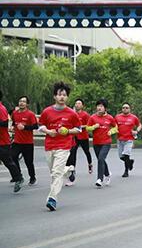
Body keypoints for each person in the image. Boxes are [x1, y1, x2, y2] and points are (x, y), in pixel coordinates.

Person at [38, 82, 82, 211]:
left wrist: (67, 131)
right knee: (54, 172)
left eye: (64, 95)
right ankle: (69, 170)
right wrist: (48, 131)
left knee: (56, 173)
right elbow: (40, 126)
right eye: (59, 95)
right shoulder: (47, 111)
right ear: (55, 97)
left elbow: (79, 129)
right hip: (49, 145)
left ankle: (52, 199)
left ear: (67, 97)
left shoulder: (71, 113)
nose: (62, 97)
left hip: (64, 146)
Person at [86, 99, 118, 188]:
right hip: (96, 143)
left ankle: (99, 179)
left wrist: (111, 131)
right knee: (101, 160)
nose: (99, 108)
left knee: (100, 158)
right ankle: (107, 174)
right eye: (98, 106)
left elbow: (115, 127)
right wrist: (93, 127)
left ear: (105, 108)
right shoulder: (92, 117)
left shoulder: (110, 118)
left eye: (101, 106)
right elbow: (87, 128)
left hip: (106, 142)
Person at [10, 95, 38, 185]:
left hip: (28, 143)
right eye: (20, 101)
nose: (21, 103)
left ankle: (32, 177)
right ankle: (18, 176)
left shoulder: (30, 114)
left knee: (28, 162)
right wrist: (12, 127)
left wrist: (24, 127)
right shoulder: (14, 113)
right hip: (17, 141)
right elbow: (14, 122)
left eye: (24, 101)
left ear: (27, 104)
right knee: (12, 157)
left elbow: (35, 126)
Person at [0, 90, 25, 193]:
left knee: (8, 162)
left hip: (2, 142)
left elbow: (5, 123)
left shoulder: (1, 109)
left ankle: (18, 178)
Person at [65, 98, 93, 186]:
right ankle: (73, 171)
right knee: (73, 154)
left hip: (83, 136)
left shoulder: (85, 115)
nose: (77, 105)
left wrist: (80, 127)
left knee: (87, 152)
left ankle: (90, 164)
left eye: (79, 103)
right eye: (76, 103)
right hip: (74, 137)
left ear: (82, 105)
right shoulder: (72, 114)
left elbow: (89, 125)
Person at [115, 102, 142, 178]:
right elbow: (114, 125)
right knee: (121, 157)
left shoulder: (133, 117)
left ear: (129, 109)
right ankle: (130, 162)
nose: (125, 109)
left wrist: (136, 131)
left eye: (127, 108)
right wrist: (114, 129)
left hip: (129, 139)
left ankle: (126, 171)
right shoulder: (117, 117)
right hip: (120, 139)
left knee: (126, 155)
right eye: (123, 108)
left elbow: (139, 125)